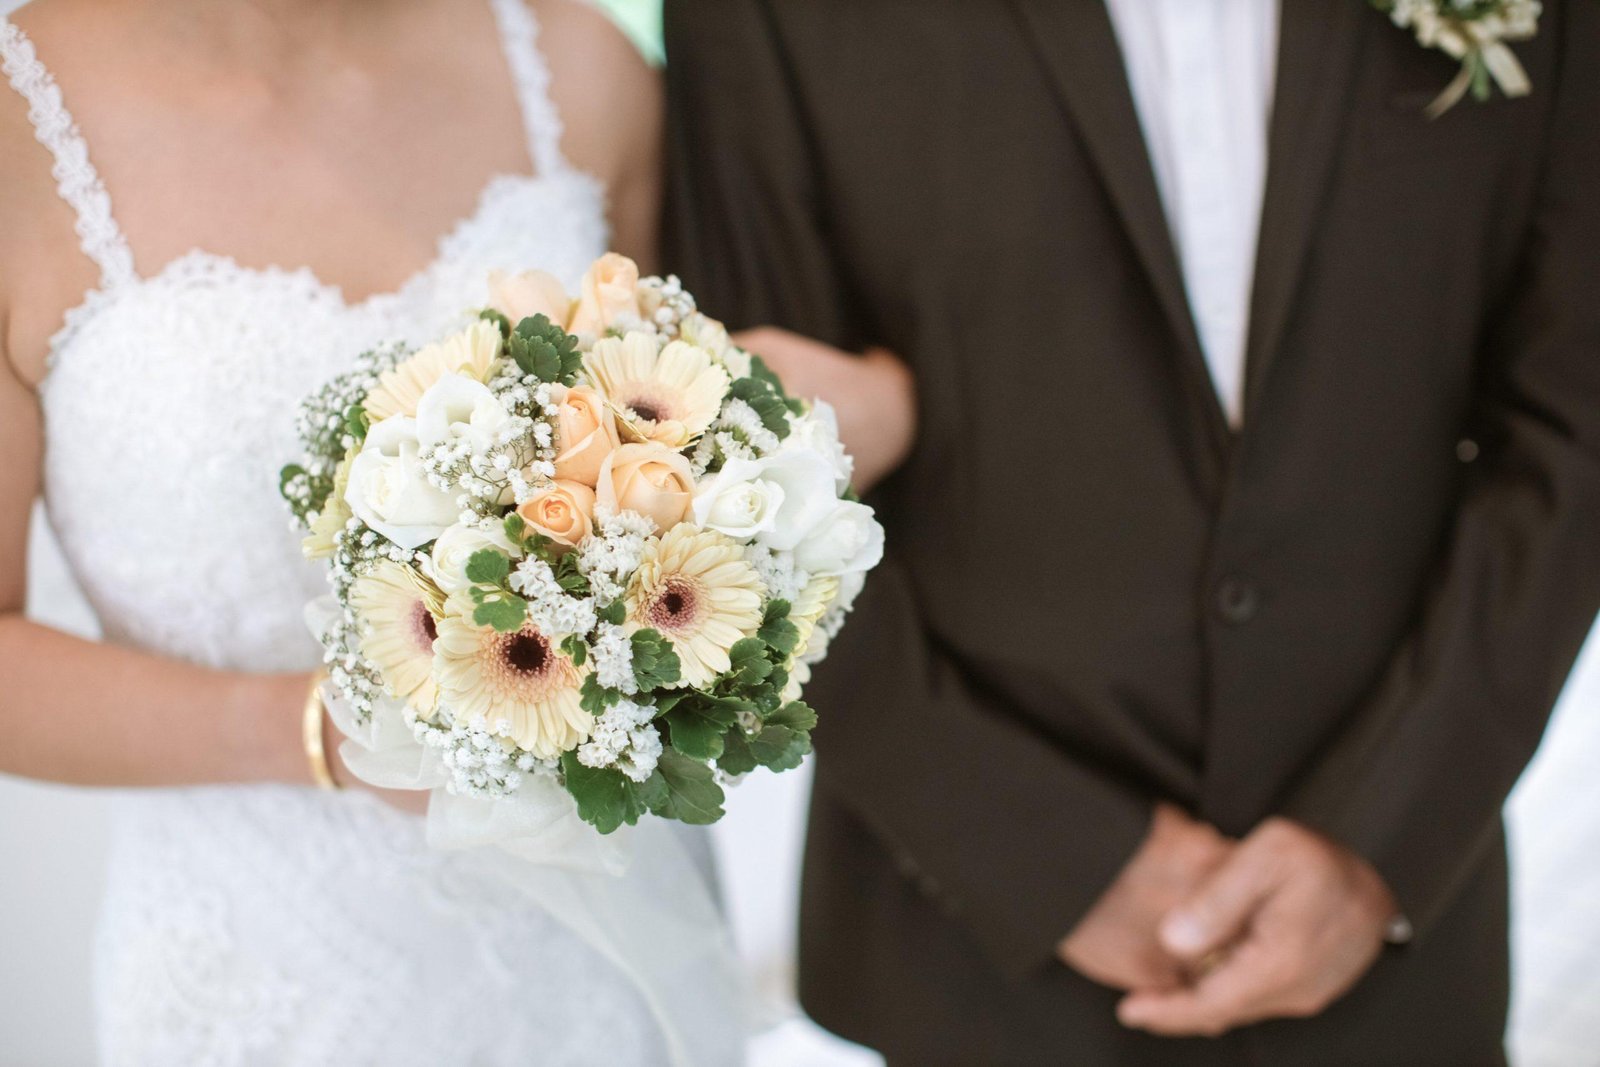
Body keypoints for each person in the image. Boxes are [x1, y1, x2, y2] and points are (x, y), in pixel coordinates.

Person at [664, 0, 1600, 1063]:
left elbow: (1572, 422)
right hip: (974, 955)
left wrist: (1384, 828)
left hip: (1393, 941)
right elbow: (721, 495)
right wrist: (1039, 850)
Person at [0, 0, 906, 1060]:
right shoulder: (21, 132)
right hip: (268, 967)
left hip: (614, 949)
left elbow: (693, 436)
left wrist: (808, 443)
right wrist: (322, 733)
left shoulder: (577, 63)